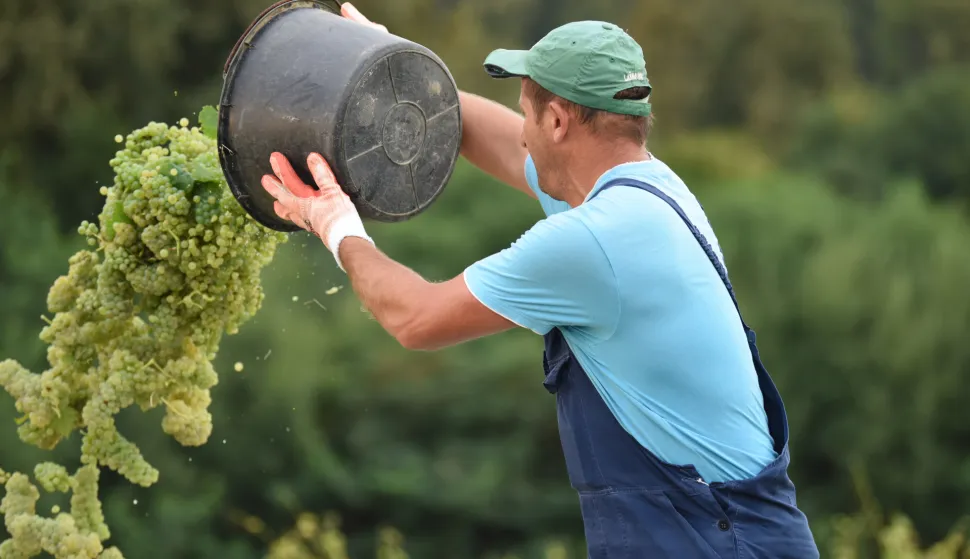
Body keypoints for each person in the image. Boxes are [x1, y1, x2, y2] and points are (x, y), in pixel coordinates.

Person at [261, 3, 820, 557]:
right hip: (721, 530)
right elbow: (481, 133)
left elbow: (415, 318)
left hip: (714, 539)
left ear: (556, 122)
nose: (522, 134)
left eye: (527, 114)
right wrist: (393, 67)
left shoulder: (593, 242)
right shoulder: (650, 188)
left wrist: (336, 226)